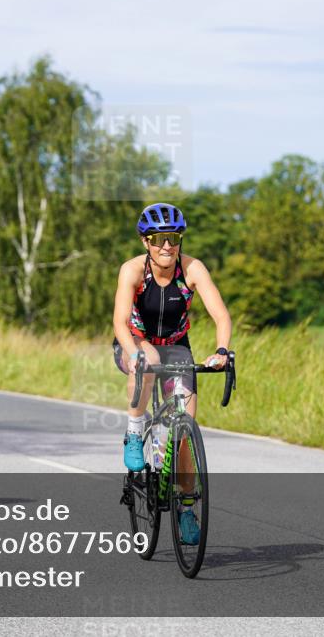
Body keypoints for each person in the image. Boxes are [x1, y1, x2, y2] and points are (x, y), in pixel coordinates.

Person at [112, 202, 232, 544]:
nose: (168, 246)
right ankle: (135, 432)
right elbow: (120, 322)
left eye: (174, 238)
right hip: (135, 341)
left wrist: (221, 351)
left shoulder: (192, 269)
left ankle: (186, 508)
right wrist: (133, 352)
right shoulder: (132, 270)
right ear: (145, 242)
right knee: (147, 359)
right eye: (160, 238)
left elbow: (221, 315)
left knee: (182, 433)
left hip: (177, 347)